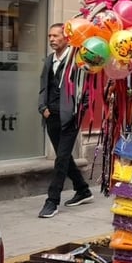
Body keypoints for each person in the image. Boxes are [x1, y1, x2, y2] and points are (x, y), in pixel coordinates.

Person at [37, 23, 93, 219]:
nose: (52, 39)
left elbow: (86, 90)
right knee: (65, 157)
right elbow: (43, 86)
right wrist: (42, 107)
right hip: (50, 115)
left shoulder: (76, 60)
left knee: (60, 158)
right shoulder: (49, 60)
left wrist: (78, 112)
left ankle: (52, 201)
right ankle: (83, 189)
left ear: (66, 38)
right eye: (49, 36)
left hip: (69, 118)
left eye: (55, 36)